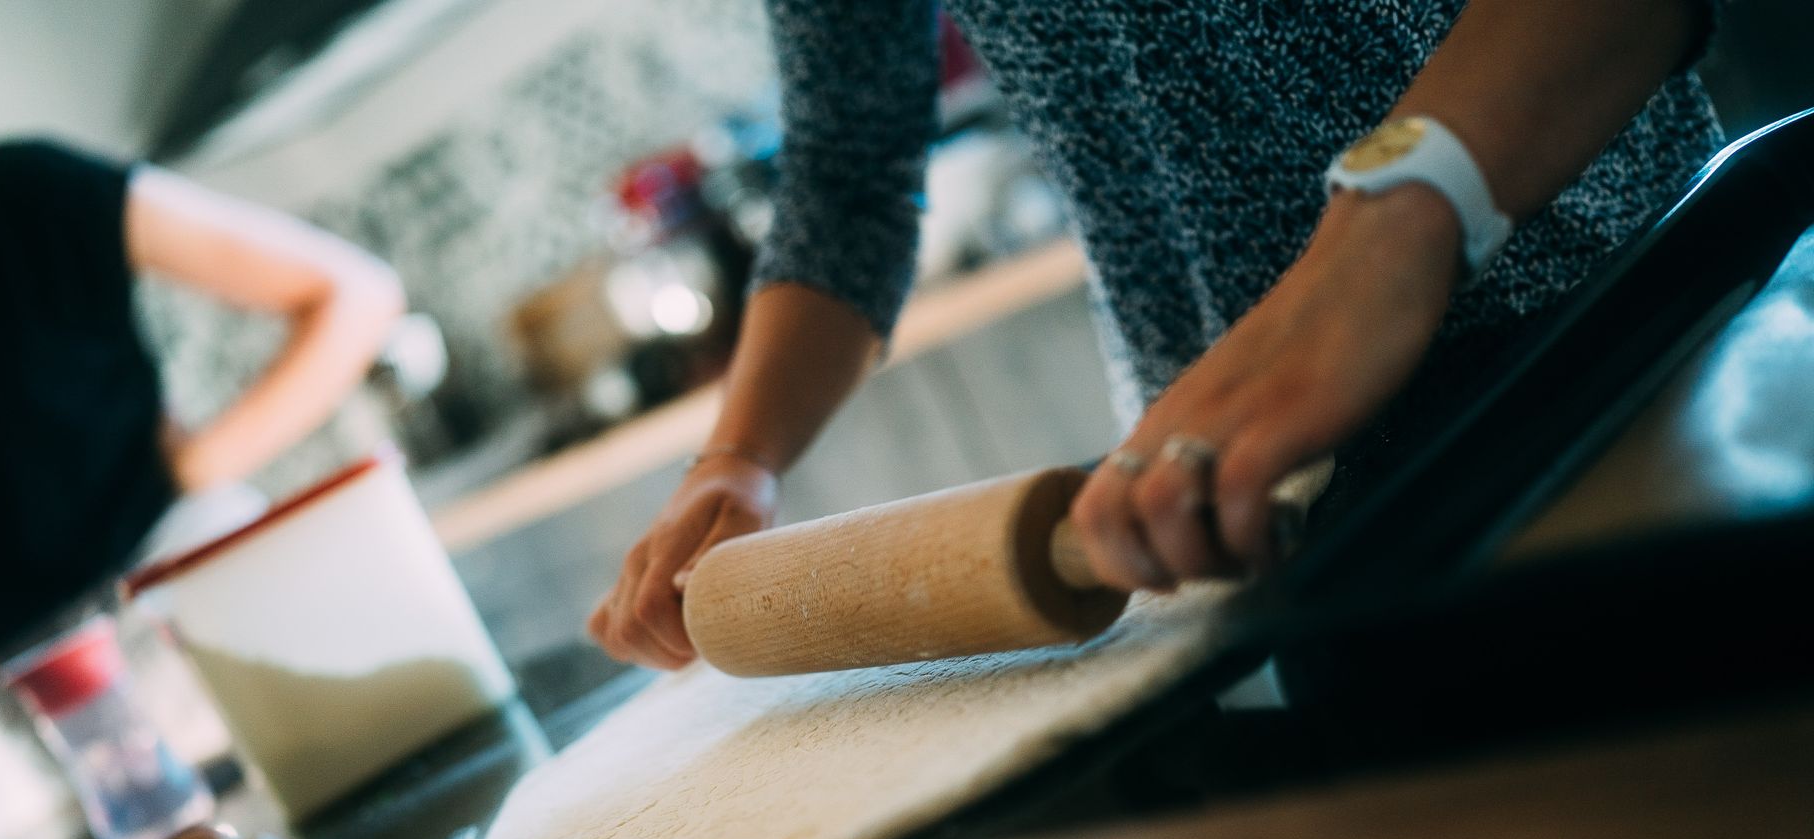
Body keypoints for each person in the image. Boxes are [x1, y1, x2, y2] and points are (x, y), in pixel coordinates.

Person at [591, 0, 1731, 669]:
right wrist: (736, 456)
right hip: (1239, 484)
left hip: (1615, 308)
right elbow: (848, 171)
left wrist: (1395, 226)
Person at [0, 138, 405, 757]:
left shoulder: (24, 188)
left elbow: (354, 292)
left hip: (190, 587)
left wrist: (202, 464)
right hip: (35, 696)